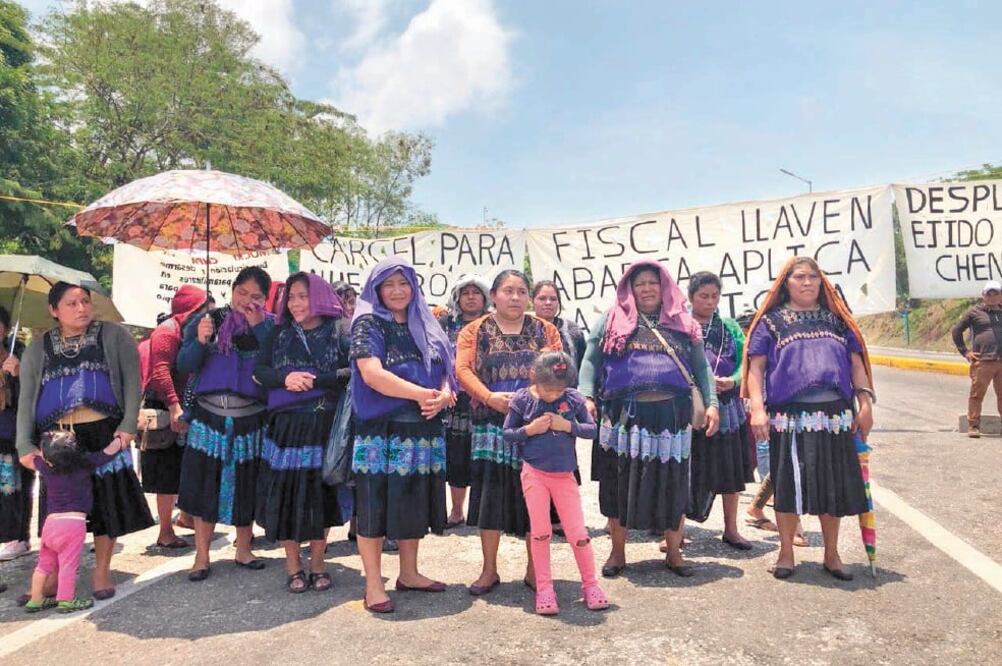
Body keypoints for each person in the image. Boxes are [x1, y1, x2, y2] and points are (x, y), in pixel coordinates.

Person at [578, 260, 718, 578]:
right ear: (629, 288)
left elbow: (701, 367)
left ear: (664, 285)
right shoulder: (610, 320)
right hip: (623, 416)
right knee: (618, 482)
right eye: (639, 283)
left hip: (671, 416)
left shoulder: (683, 322)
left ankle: (673, 552)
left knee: (673, 482)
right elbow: (589, 361)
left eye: (652, 282)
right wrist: (586, 396)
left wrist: (712, 404)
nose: (646, 288)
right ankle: (617, 553)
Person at [16, 282, 152, 600]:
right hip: (58, 440)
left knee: (106, 504)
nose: (81, 308)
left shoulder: (113, 336)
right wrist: (25, 443)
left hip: (104, 431)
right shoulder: (38, 348)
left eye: (85, 301)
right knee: (58, 510)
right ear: (54, 311)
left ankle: (100, 572)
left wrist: (129, 423)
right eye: (71, 304)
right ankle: (51, 578)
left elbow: (133, 379)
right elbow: (26, 399)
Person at [744, 256, 874, 581]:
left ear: (821, 281)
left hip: (835, 416)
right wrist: (757, 408)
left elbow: (856, 363)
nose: (807, 282)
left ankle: (832, 554)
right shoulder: (770, 322)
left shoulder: (838, 319)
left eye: (813, 277)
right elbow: (756, 369)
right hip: (789, 416)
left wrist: (865, 402)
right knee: (788, 486)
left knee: (834, 486)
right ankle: (786, 553)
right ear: (785, 283)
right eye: (799, 277)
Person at [350, 257, 455, 613]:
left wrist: (442, 395)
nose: (397, 291)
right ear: (376, 289)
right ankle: (373, 584)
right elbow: (371, 374)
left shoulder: (426, 323)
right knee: (373, 504)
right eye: (389, 284)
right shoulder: (368, 324)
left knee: (412, 501)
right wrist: (420, 394)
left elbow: (445, 370)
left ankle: (409, 573)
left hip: (423, 428)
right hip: (381, 431)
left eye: (404, 283)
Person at [456, 269, 562, 595]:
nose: (515, 297)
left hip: (537, 428)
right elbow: (461, 369)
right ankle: (489, 570)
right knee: (490, 499)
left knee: (536, 502)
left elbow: (560, 369)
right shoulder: (474, 331)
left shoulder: (546, 330)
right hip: (492, 426)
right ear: (494, 296)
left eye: (521, 291)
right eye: (507, 290)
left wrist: (535, 395)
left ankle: (535, 570)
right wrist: (488, 396)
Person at [176, 267, 274, 582]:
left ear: (265, 298)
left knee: (247, 483)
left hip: (251, 418)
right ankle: (201, 556)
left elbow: (277, 365)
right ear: (232, 291)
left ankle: (243, 549)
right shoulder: (207, 321)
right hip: (208, 417)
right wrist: (201, 341)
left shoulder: (271, 326)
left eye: (256, 296)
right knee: (205, 485)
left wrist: (259, 329)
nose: (247, 300)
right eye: (242, 292)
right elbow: (183, 364)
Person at [254, 272, 347, 593]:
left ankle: (318, 564)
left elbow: (354, 370)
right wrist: (285, 378)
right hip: (286, 430)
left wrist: (314, 381)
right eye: (290, 297)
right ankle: (293, 565)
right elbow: (260, 371)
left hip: (323, 427)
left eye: (302, 296)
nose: (295, 303)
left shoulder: (339, 331)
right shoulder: (278, 333)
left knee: (319, 497)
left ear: (319, 296)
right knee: (288, 497)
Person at [503, 351, 608, 615]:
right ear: (533, 377)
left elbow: (592, 430)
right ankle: (544, 588)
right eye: (548, 390)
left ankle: (591, 584)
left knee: (578, 533)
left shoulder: (572, 398)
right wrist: (529, 430)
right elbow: (508, 433)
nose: (553, 395)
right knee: (540, 533)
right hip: (534, 474)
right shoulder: (522, 399)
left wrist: (567, 426)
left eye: (558, 390)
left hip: (565, 476)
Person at [23, 432, 128, 613]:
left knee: (43, 564)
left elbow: (26, 458)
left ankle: (36, 599)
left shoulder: (47, 467)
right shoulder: (84, 464)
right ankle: (66, 600)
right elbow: (107, 453)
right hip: (73, 524)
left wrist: (42, 454)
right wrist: (120, 440)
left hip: (50, 523)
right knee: (68, 564)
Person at [685, 272, 754, 549]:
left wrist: (733, 380)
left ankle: (731, 529)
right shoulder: (680, 326)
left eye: (714, 296)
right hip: (692, 407)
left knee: (730, 470)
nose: (710, 301)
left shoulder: (730, 328)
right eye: (703, 296)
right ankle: (676, 533)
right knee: (686, 469)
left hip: (727, 408)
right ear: (691, 297)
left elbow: (743, 363)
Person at [139, 284, 208, 550]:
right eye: (202, 308)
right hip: (168, 406)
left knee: (185, 468)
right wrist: (174, 406)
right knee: (167, 473)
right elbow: (160, 371)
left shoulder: (189, 331)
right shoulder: (168, 331)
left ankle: (185, 517)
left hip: (185, 404)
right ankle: (165, 531)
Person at [531, 281, 587, 536]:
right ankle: (540, 517)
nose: (548, 303)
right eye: (542, 298)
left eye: (553, 298)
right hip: (534, 403)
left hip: (565, 404)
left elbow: (584, 364)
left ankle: (565, 516)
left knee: (565, 457)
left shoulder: (572, 330)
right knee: (537, 458)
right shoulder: (527, 329)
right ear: (533, 301)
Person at [438, 274, 491, 528]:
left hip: (486, 399)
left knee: (486, 456)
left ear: (485, 298)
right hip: (455, 401)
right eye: (465, 293)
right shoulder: (445, 325)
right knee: (457, 456)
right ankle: (457, 511)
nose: (471, 297)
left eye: (476, 292)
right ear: (457, 298)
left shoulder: (494, 324)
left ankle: (486, 512)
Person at [951, 280, 1002, 438]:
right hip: (983, 362)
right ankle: (973, 425)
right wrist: (965, 352)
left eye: (996, 293)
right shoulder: (974, 312)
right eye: (989, 293)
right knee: (977, 394)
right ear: (983, 295)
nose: (992, 297)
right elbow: (956, 331)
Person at [0, 306, 31, 565]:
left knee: (14, 486)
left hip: (12, 434)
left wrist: (18, 375)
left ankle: (17, 536)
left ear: (6, 329)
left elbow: (32, 396)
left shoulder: (20, 355)